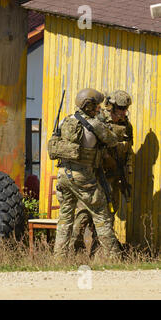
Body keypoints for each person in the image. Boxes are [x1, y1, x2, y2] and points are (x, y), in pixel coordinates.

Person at [50, 88, 122, 259]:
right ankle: (114, 258)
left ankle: (59, 258)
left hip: (63, 175)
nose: (99, 109)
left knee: (65, 218)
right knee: (101, 214)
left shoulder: (64, 121)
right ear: (89, 106)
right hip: (83, 176)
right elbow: (112, 141)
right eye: (97, 105)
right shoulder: (94, 125)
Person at [70, 90, 133, 256]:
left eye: (125, 109)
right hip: (95, 176)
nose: (123, 112)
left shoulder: (126, 125)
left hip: (114, 177)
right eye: (120, 109)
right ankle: (72, 252)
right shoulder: (98, 120)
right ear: (111, 107)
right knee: (83, 214)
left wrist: (127, 172)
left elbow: (128, 151)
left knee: (108, 216)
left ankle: (100, 254)